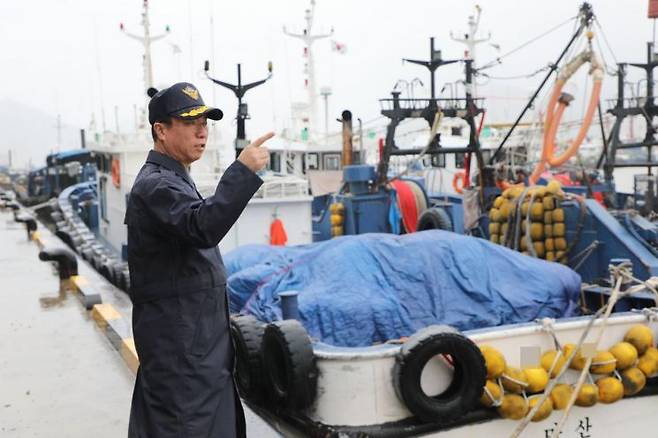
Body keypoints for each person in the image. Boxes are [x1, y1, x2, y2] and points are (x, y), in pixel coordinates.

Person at [124, 82, 272, 438]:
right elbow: (202, 225)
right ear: (161, 130)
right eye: (190, 122)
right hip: (183, 362)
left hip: (197, 355)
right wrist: (243, 171)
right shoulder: (156, 186)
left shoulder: (174, 179)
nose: (202, 130)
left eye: (205, 122)